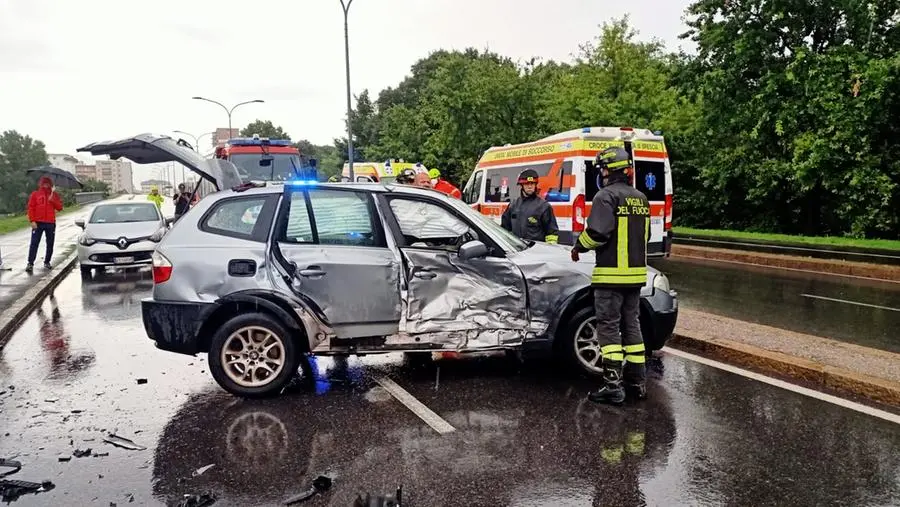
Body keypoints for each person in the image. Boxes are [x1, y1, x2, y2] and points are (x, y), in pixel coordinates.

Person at [571, 146, 651, 405]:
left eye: (603, 169)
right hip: (636, 276)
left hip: (610, 275)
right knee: (632, 327)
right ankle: (637, 384)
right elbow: (646, 236)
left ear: (607, 170)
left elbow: (597, 233)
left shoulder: (605, 197)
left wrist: (578, 246)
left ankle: (612, 386)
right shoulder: (641, 198)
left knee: (608, 328)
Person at [500, 169, 559, 244]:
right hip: (518, 250)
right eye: (526, 184)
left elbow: (552, 233)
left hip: (536, 251)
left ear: (535, 185)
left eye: (532, 183)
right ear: (522, 185)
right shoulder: (513, 205)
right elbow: (504, 229)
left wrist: (550, 249)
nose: (530, 186)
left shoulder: (544, 206)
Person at [26, 176, 64, 271]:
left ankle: (47, 262)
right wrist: (32, 221)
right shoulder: (35, 194)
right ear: (41, 184)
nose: (46, 185)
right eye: (44, 183)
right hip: (38, 223)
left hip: (50, 223)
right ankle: (30, 263)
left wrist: (53, 200)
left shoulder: (54, 195)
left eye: (47, 184)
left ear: (50, 184)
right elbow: (31, 208)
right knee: (34, 243)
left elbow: (60, 208)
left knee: (50, 243)